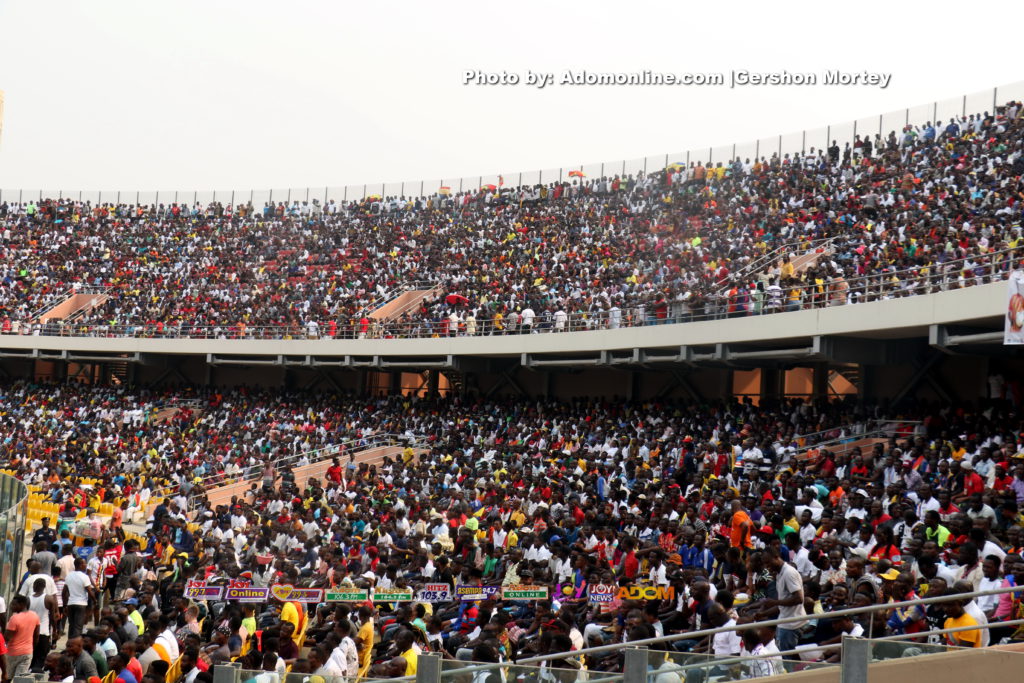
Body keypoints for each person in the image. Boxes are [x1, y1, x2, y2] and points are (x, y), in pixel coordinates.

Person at [759, 546, 806, 655]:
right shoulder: (779, 573)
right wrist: (763, 614)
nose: (766, 567)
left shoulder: (789, 573)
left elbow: (799, 598)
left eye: (768, 563)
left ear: (776, 557)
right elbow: (783, 604)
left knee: (786, 659)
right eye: (765, 564)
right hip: (785, 622)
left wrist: (774, 602)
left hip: (791, 625)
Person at [5, 595, 39, 678]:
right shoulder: (34, 615)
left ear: (22, 604)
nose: (11, 606)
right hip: (27, 652)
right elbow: (36, 635)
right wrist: (32, 648)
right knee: (20, 679)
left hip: (12, 653)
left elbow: (7, 637)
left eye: (14, 604)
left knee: (7, 677)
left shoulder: (14, 618)